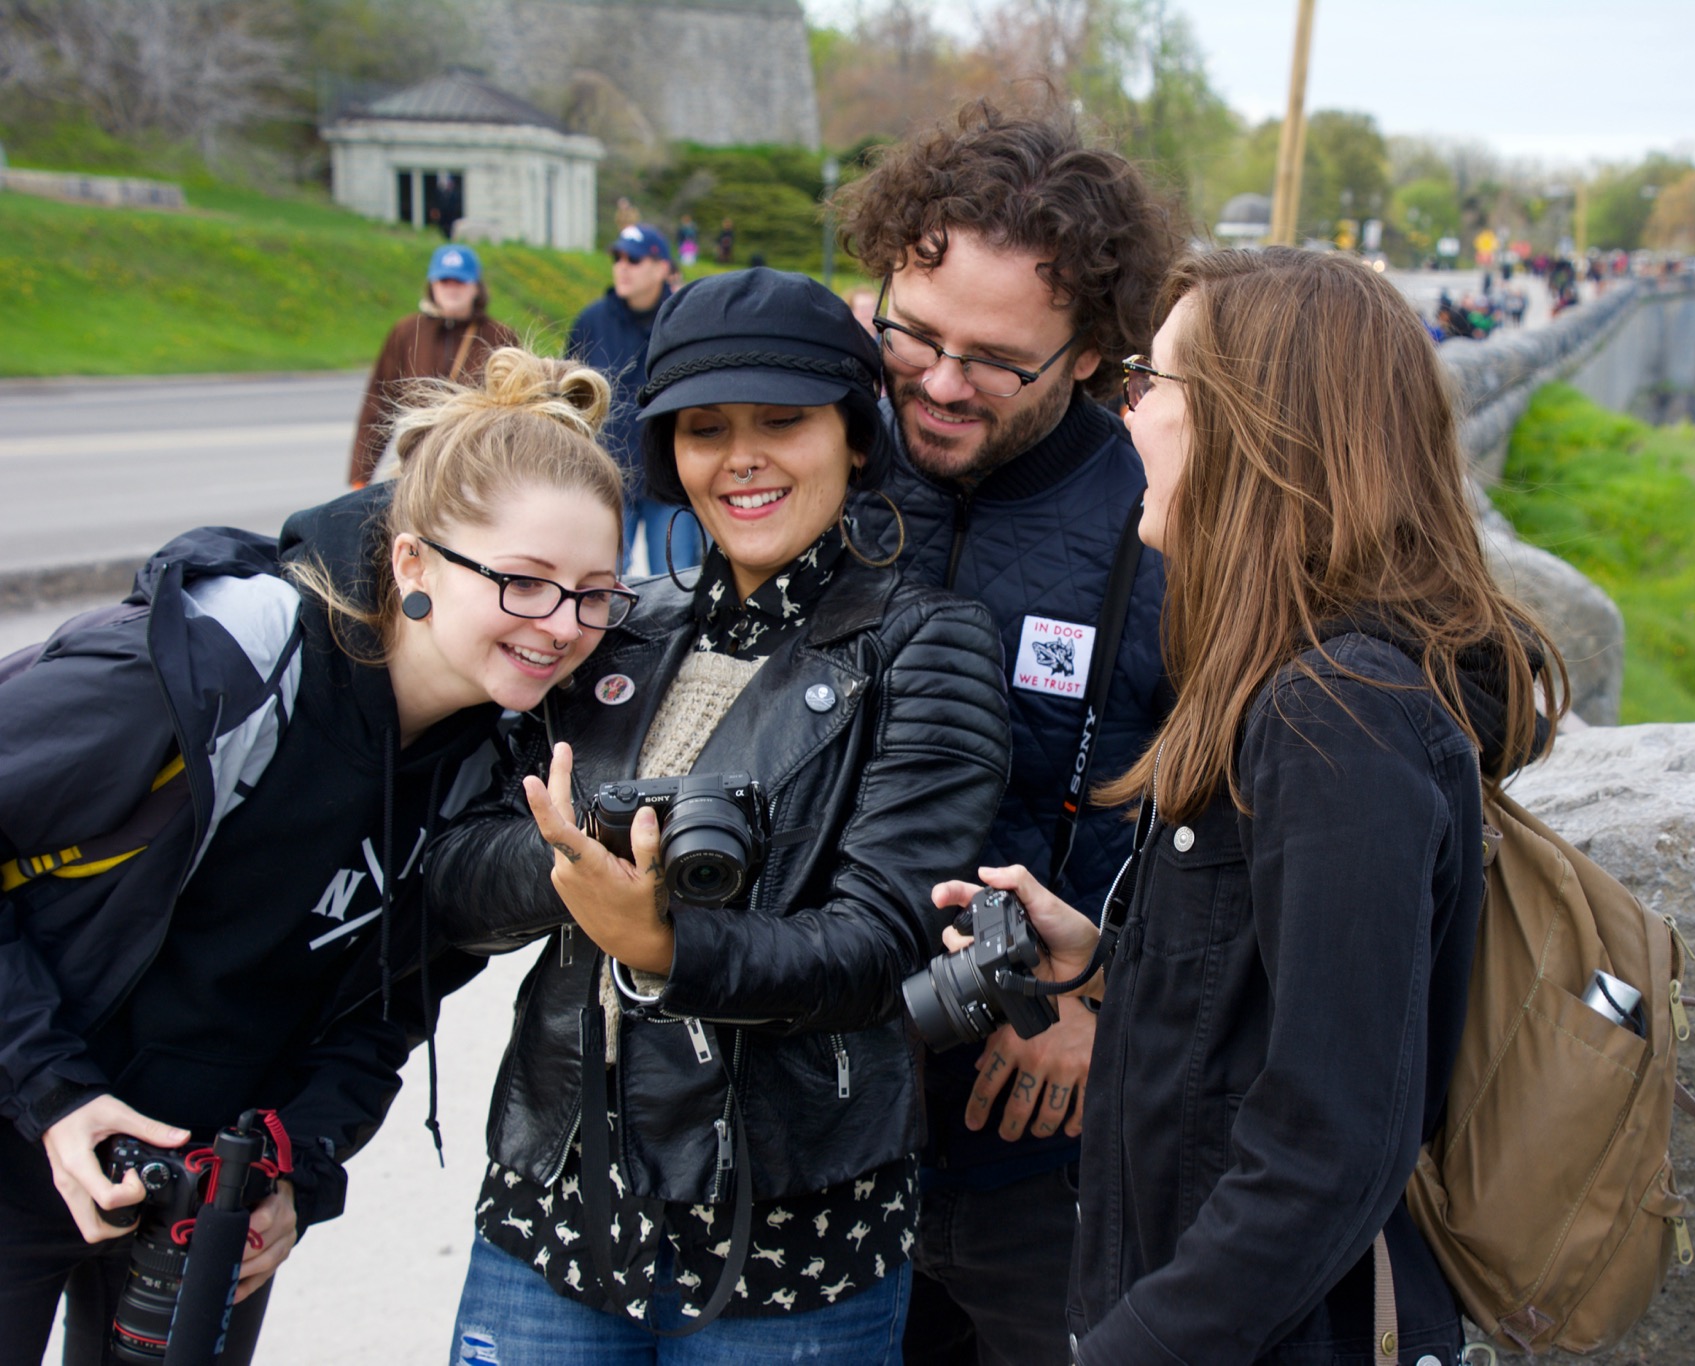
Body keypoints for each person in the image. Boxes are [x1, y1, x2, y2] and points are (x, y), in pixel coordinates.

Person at [937, 248, 1563, 1365]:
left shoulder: (1338, 718)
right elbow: (1287, 1005)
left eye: (1151, 387)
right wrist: (1113, 962)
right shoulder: (1304, 685)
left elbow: (1335, 1140)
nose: (1126, 422)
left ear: (1255, 431)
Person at [0, 348, 636, 1364]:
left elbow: (393, 1003)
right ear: (413, 562)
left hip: (207, 1201)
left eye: (596, 593)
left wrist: (301, 1168)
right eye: (523, 581)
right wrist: (52, 1093)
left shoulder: (497, 763)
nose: (562, 624)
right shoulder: (220, 664)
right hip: (23, 1119)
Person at [426, 268, 1011, 1358]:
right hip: (553, 1203)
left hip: (796, 1230)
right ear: (668, 455)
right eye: (704, 428)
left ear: (851, 433)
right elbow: (452, 870)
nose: (740, 456)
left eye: (782, 421)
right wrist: (580, 859)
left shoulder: (928, 642)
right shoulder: (613, 624)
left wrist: (659, 941)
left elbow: (880, 946)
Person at [834, 100, 1176, 1366]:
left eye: (993, 358)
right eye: (912, 333)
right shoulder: (817, 458)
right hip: (813, 1112)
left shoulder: (1164, 517)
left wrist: (1111, 996)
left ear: (1089, 351)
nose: (936, 381)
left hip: (1041, 1125)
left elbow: (1240, 818)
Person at [568, 223, 700, 577]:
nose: (622, 266)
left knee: (678, 579)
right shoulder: (591, 321)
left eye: (635, 259)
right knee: (601, 578)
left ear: (662, 269)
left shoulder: (683, 321)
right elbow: (570, 399)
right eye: (618, 257)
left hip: (668, 476)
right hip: (607, 474)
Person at [349, 244, 519, 487]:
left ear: (475, 287)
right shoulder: (407, 332)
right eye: (444, 281)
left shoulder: (499, 337)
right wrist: (361, 476)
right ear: (432, 286)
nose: (451, 288)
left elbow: (517, 410)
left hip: (479, 471)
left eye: (459, 281)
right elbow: (378, 403)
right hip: (416, 468)